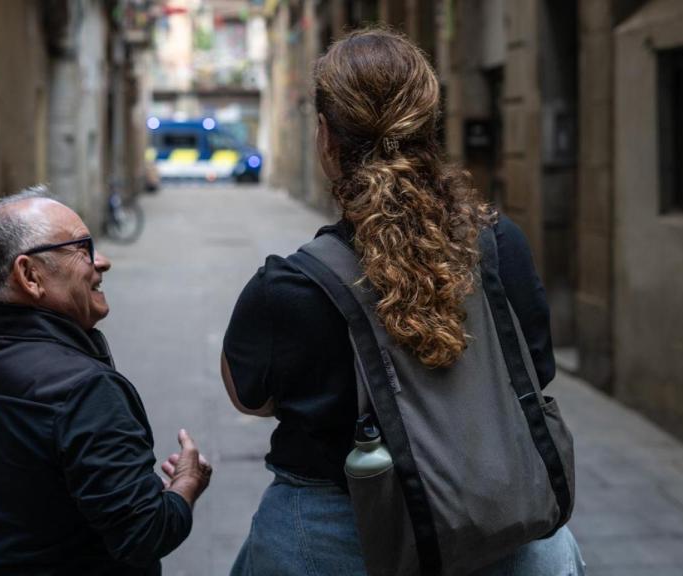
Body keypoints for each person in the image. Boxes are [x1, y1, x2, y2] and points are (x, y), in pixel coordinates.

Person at [221, 29, 586, 575]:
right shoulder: (502, 244)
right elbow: (536, 369)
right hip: (507, 530)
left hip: (332, 538)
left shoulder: (288, 287)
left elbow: (250, 398)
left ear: (326, 138)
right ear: (429, 131)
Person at [0, 186, 212, 576]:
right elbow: (145, 534)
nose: (103, 262)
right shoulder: (85, 390)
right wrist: (186, 484)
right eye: (82, 248)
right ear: (30, 275)